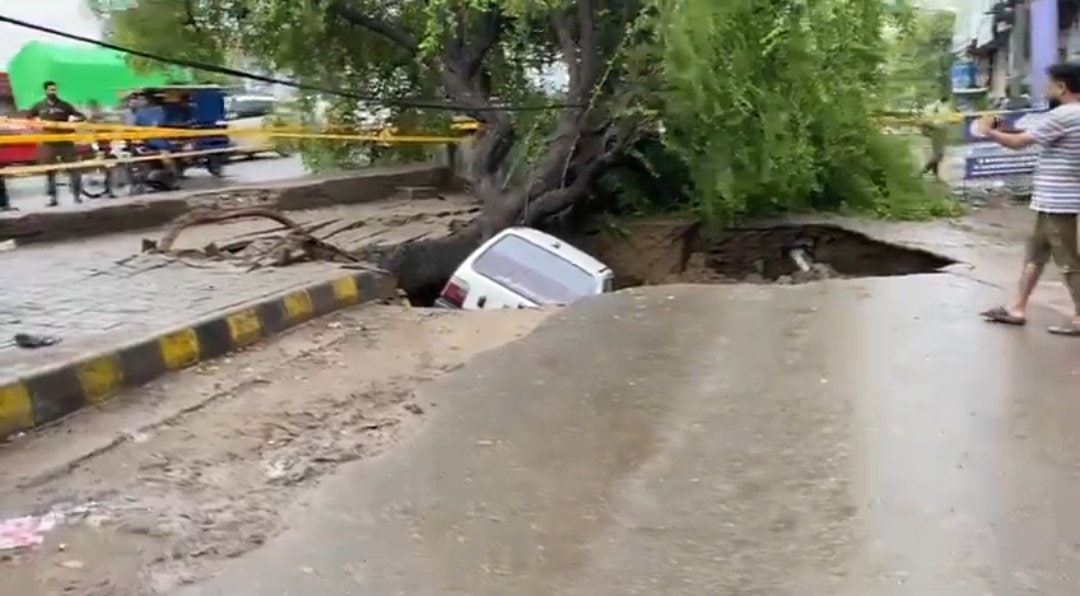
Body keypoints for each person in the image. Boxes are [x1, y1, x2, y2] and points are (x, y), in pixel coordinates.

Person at [978, 62, 1080, 336]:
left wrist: (989, 132)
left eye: (1051, 84)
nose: (1048, 89)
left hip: (1058, 200)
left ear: (1062, 87)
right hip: (1055, 199)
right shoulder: (1071, 116)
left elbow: (1020, 143)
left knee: (1069, 261)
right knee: (1035, 256)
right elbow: (1033, 136)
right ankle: (1017, 307)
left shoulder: (1064, 115)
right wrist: (1004, 129)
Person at [27, 81, 86, 206]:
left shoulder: (64, 105)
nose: (53, 92)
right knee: (50, 171)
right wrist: (36, 127)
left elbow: (81, 117)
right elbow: (28, 118)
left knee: (73, 169)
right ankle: (53, 199)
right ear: (45, 91)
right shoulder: (39, 106)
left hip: (65, 142)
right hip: (48, 142)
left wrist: (72, 124)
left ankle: (77, 196)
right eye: (50, 90)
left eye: (54, 89)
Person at [920, 95, 950, 180]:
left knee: (938, 154)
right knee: (938, 154)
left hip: (939, 129)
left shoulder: (938, 106)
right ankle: (923, 171)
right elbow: (927, 120)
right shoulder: (937, 107)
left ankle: (935, 174)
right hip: (938, 130)